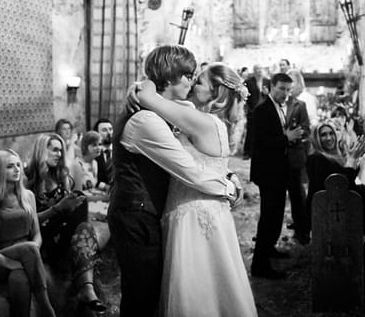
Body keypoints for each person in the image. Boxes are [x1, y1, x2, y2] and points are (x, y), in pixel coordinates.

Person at [108, 45, 239, 317]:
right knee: (141, 297)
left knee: (153, 292)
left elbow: (198, 152)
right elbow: (187, 169)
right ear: (170, 77)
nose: (191, 81)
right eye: (188, 75)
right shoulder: (145, 120)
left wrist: (141, 86)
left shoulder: (165, 110)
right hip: (137, 215)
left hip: (152, 211)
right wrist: (227, 187)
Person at [135, 62, 257, 316]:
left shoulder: (200, 120)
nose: (192, 85)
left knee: (194, 289)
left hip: (191, 214)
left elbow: (145, 96)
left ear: (217, 92)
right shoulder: (216, 124)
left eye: (199, 82)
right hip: (214, 212)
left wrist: (148, 80)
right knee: (217, 285)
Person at [25, 133, 106, 314]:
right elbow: (27, 221)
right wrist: (58, 208)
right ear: (41, 150)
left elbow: (72, 208)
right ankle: (86, 288)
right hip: (41, 236)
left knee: (81, 205)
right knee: (82, 216)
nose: (59, 154)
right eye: (54, 150)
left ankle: (87, 289)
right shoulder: (26, 178)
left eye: (61, 150)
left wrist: (67, 206)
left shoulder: (60, 175)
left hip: (63, 234)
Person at [0, 150, 56, 317]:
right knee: (27, 250)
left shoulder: (28, 196)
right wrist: (8, 262)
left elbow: (37, 234)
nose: (17, 169)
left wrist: (32, 252)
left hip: (26, 256)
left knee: (19, 278)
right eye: (10, 166)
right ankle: (47, 308)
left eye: (18, 165)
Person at [250, 73, 306, 279]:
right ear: (270, 87)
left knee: (276, 215)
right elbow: (261, 142)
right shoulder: (262, 110)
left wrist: (290, 138)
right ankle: (260, 265)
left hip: (279, 170)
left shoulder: (279, 108)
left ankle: (270, 248)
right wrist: (286, 138)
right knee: (268, 217)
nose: (285, 93)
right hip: (267, 172)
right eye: (281, 88)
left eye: (288, 90)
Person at [306, 122, 365, 236]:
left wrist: (353, 158)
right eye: (323, 135)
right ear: (316, 139)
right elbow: (339, 184)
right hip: (327, 206)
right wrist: (352, 159)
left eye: (331, 133)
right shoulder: (316, 158)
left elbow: (348, 178)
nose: (329, 138)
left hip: (337, 200)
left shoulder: (335, 154)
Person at [284, 70, 311, 244]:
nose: (290, 87)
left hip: (294, 155)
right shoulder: (274, 104)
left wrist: (296, 136)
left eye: (292, 82)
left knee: (297, 195)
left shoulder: (299, 105)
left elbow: (306, 129)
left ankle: (302, 232)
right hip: (278, 156)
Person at [243, 64, 270, 159]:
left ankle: (262, 151)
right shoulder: (248, 82)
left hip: (265, 111)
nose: (259, 71)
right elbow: (244, 96)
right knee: (250, 131)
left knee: (264, 131)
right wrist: (247, 109)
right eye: (257, 69)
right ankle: (247, 152)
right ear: (254, 71)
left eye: (260, 69)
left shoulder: (268, 81)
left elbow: (272, 96)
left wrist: (267, 93)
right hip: (252, 111)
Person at [93, 118, 114, 189]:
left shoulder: (121, 151)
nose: (109, 133)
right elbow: (94, 180)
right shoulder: (93, 154)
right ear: (97, 134)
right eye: (104, 130)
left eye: (110, 129)